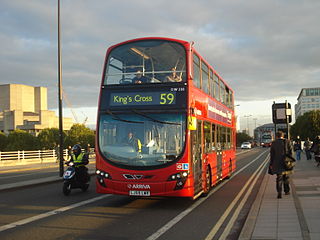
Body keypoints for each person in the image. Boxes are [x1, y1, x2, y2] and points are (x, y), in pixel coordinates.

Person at [269, 131, 293, 199]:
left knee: (279, 178)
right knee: (286, 177)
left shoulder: (274, 143)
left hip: (277, 163)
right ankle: (287, 191)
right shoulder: (288, 141)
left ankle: (279, 192)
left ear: (277, 136)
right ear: (283, 135)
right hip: (286, 162)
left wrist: (271, 164)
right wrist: (290, 161)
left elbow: (272, 154)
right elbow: (291, 152)